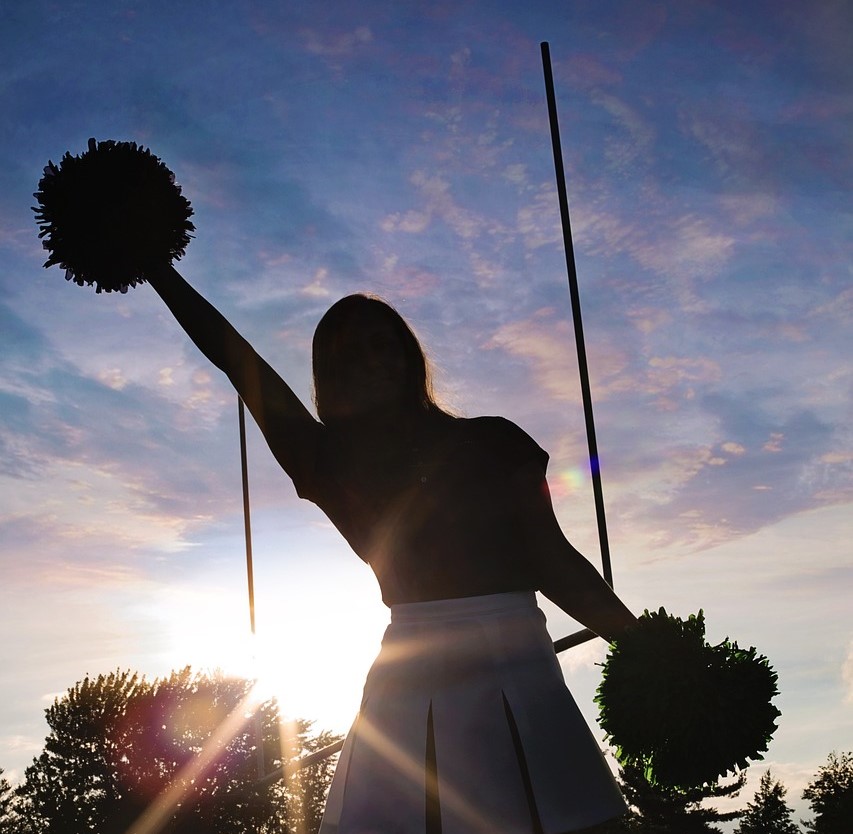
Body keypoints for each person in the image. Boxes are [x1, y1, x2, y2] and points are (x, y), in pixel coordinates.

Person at [145, 264, 637, 834]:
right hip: (411, 687)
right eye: (352, 354)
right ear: (332, 375)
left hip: (522, 666)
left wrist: (650, 648)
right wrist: (160, 268)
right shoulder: (325, 461)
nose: (374, 360)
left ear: (409, 355)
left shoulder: (495, 439)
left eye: (384, 344)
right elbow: (240, 362)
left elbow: (553, 558)